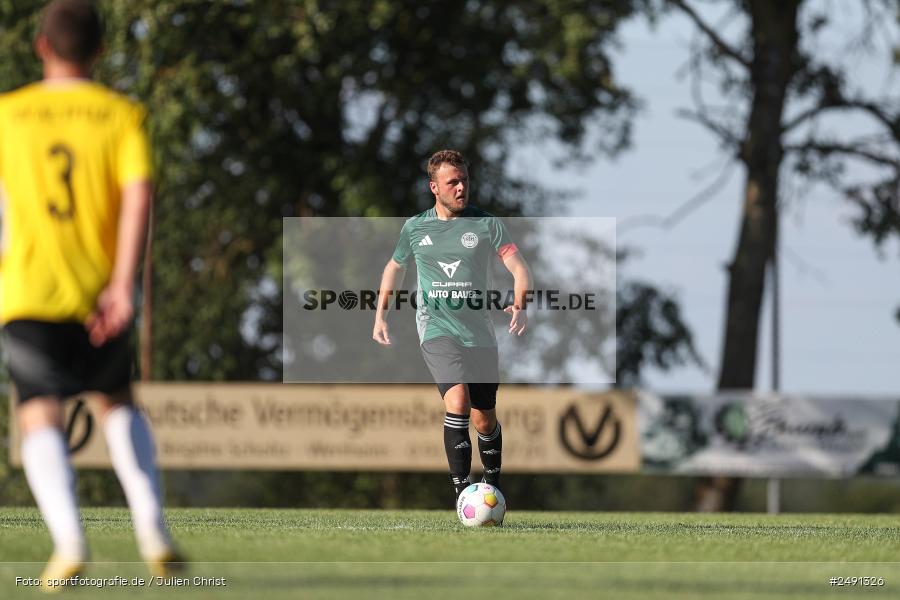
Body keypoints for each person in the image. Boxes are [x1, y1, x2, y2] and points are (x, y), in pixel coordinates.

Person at [0, 0, 180, 588]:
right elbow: (137, 199)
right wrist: (122, 285)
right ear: (101, 51)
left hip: (27, 288)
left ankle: (69, 541)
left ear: (42, 47)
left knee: (37, 408)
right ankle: (151, 529)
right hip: (99, 293)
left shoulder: (8, 114)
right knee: (117, 400)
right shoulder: (121, 115)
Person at [373, 149, 532, 504]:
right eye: (453, 182)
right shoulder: (415, 228)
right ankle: (463, 495)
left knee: (484, 421)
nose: (461, 188)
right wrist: (380, 314)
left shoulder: (487, 224)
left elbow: (520, 269)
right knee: (456, 400)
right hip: (436, 329)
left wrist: (520, 304)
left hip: (480, 335)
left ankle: (493, 485)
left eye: (465, 181)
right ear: (435, 188)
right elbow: (394, 268)